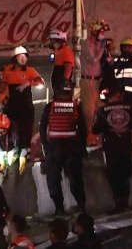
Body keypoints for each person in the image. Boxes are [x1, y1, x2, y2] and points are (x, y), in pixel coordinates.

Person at [40, 80, 87, 215]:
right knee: (75, 178)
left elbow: (43, 128)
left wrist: (45, 145)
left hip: (56, 147)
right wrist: (82, 147)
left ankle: (59, 208)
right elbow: (82, 129)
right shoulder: (75, 107)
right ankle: (80, 205)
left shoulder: (50, 107)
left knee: (54, 179)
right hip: (71, 147)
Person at [92, 84, 132, 213]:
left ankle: (119, 204)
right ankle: (125, 202)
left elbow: (95, 130)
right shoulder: (129, 108)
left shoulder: (102, 110)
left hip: (111, 146)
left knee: (114, 175)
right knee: (126, 173)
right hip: (126, 145)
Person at [0, 47, 44, 152]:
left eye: (25, 56)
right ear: (14, 58)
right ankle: (10, 149)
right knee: (9, 128)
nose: (23, 58)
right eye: (20, 56)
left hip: (26, 106)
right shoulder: (7, 72)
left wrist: (28, 83)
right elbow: (2, 88)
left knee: (25, 130)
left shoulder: (30, 71)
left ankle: (26, 150)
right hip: (12, 106)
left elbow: (41, 83)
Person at [81, 20, 111, 147]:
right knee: (89, 110)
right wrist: (102, 48)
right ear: (94, 32)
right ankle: (88, 136)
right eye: (101, 32)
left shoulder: (100, 45)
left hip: (98, 80)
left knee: (101, 108)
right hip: (88, 79)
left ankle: (98, 135)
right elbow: (93, 59)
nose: (103, 35)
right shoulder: (86, 43)